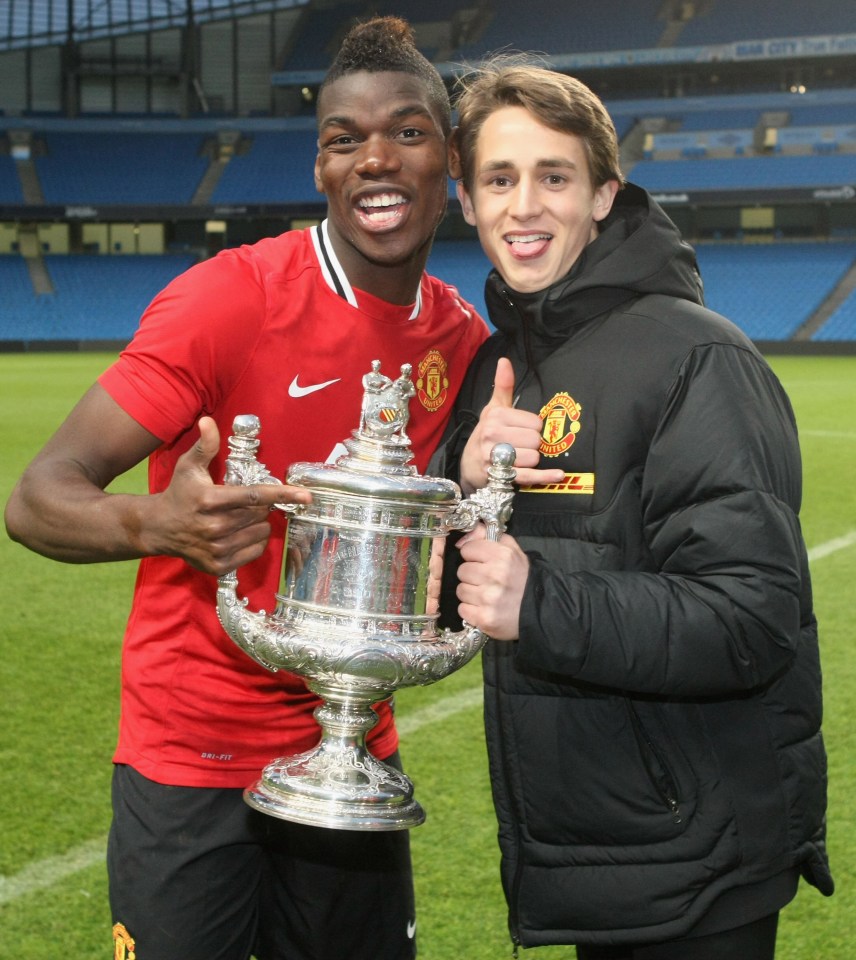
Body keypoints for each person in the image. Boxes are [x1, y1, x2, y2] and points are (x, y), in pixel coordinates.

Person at [4, 17, 489, 960]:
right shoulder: (233, 298)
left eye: (408, 132)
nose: (375, 159)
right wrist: (161, 522)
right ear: (320, 168)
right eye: (344, 139)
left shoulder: (458, 341)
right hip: (191, 760)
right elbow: (37, 498)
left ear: (451, 159)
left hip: (351, 751)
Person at [431, 60, 834, 959]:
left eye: (555, 177)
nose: (524, 206)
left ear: (605, 195)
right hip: (607, 848)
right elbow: (434, 600)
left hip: (699, 858)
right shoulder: (500, 367)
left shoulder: (698, 357)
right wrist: (458, 481)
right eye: (500, 179)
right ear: (466, 200)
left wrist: (538, 602)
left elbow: (750, 617)